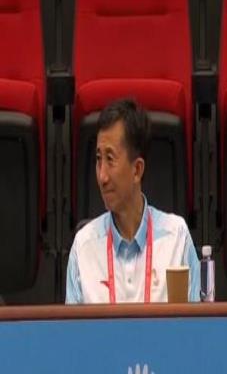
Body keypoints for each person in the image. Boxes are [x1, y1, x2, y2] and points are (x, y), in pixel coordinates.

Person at [66, 99, 200, 303]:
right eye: (99, 159)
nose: (102, 176)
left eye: (110, 159)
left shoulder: (176, 238)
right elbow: (71, 324)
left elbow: (198, 321)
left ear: (137, 170)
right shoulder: (83, 246)